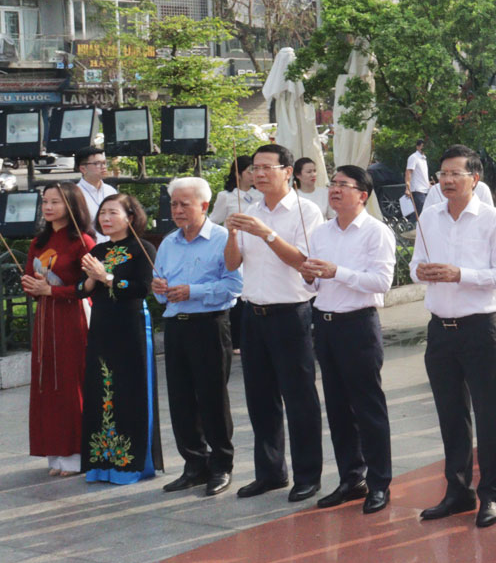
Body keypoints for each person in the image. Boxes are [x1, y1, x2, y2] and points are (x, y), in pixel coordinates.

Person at [411, 145, 496, 528]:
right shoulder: (430, 216)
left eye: (456, 173)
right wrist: (423, 273)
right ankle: (457, 491)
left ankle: (491, 494)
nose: (447, 180)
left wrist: (461, 274)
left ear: (475, 178)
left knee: (489, 414)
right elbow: (413, 266)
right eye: (442, 174)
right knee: (450, 414)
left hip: (480, 328)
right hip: (441, 328)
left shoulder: (492, 219)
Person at [224, 143, 326, 503]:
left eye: (268, 167)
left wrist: (265, 233)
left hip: (291, 313)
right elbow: (232, 264)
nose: (260, 173)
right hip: (253, 313)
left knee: (299, 398)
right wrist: (234, 233)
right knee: (259, 398)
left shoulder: (305, 211)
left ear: (288, 172)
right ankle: (270, 472)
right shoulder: (249, 208)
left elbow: (304, 262)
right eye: (255, 167)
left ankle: (308, 474)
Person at [301, 165, 397, 514]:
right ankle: (350, 478)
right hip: (324, 325)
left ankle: (379, 483)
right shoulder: (321, 232)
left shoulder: (376, 232)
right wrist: (310, 276)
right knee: (338, 408)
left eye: (344, 184)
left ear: (362, 195)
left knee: (367, 407)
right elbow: (312, 285)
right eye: (333, 184)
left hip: (358, 325)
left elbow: (381, 282)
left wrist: (335, 272)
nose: (335, 189)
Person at [153, 177, 242, 497]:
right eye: (174, 204)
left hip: (210, 325)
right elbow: (159, 284)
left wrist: (194, 291)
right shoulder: (168, 242)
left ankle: (221, 465)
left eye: (184, 204)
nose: (177, 210)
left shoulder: (222, 238)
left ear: (204, 206)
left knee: (212, 397)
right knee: (180, 398)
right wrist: (160, 289)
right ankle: (194, 464)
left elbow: (234, 285)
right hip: (176, 326)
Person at [78, 193, 162, 485]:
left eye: (113, 212)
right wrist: (90, 279)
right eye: (102, 213)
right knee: (101, 390)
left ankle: (131, 464)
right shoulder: (98, 249)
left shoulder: (142, 247)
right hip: (101, 326)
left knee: (130, 389)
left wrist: (108, 277)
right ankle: (102, 462)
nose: (106, 218)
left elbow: (143, 287)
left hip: (131, 325)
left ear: (130, 216)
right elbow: (82, 289)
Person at [23, 183, 96, 477]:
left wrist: (54, 291)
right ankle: (55, 454)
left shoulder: (83, 241)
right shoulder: (38, 242)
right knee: (45, 383)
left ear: (71, 205)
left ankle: (77, 454)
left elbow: (88, 287)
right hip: (45, 319)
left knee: (70, 382)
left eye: (55, 202)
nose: (48, 207)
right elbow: (31, 277)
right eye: (45, 202)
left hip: (72, 316)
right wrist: (33, 287)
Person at [208, 155, 260, 225]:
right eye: (249, 172)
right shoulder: (225, 196)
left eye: (255, 171)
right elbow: (214, 220)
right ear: (238, 174)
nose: (253, 175)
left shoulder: (262, 194)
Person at [74, 146, 113, 223]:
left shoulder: (110, 191)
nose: (104, 167)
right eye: (97, 163)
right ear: (83, 169)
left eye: (104, 163)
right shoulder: (74, 194)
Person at [403, 138, 429, 219]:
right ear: (417, 147)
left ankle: (414, 228)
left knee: (422, 212)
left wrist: (429, 184)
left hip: (425, 189)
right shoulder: (414, 157)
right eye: (422, 146)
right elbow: (408, 172)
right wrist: (407, 188)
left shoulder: (424, 158)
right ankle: (412, 228)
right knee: (419, 212)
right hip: (417, 189)